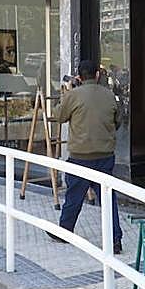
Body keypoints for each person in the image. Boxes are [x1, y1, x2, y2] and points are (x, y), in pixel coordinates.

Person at [51, 59, 123, 254]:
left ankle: (65, 231)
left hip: (80, 156)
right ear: (97, 75)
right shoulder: (109, 95)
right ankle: (115, 240)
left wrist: (66, 92)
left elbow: (58, 116)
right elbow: (118, 121)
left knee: (74, 196)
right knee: (107, 199)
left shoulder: (73, 95)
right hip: (105, 155)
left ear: (79, 77)